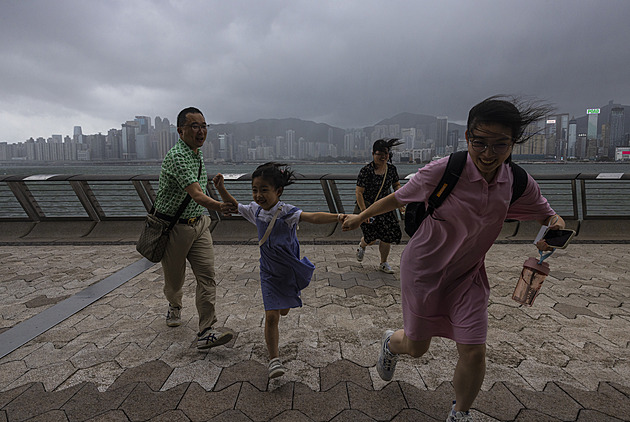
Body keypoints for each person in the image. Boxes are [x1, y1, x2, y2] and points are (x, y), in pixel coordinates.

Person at [342, 96, 564, 422]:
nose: (488, 153)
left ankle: (460, 413)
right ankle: (391, 343)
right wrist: (361, 218)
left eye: (500, 145)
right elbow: (398, 197)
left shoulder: (516, 182)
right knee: (418, 348)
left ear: (512, 143)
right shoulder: (446, 170)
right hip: (423, 272)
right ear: (467, 139)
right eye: (480, 143)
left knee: (474, 351)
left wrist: (556, 228)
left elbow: (549, 215)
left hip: (468, 277)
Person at [213, 162, 347, 378]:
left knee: (283, 310)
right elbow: (235, 205)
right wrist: (221, 189)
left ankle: (285, 304)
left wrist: (338, 217)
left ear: (278, 191)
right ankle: (274, 360)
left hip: (289, 270)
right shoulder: (255, 211)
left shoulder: (287, 212)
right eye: (255, 190)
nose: (258, 195)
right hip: (268, 273)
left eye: (264, 190)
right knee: (272, 316)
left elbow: (313, 217)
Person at [152, 106, 236, 350]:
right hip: (175, 229)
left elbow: (199, 195)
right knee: (174, 281)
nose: (201, 131)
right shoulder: (177, 156)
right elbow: (197, 194)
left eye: (204, 126)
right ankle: (175, 305)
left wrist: (218, 190)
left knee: (207, 276)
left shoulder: (197, 154)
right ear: (180, 131)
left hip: (199, 225)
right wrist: (220, 206)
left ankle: (206, 330)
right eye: (194, 126)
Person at [355, 138, 404, 274]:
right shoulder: (366, 171)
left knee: (386, 235)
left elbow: (396, 186)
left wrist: (401, 200)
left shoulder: (391, 169)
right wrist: (364, 212)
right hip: (367, 207)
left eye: (385, 154)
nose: (383, 157)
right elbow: (359, 192)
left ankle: (383, 263)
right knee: (371, 239)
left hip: (384, 206)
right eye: (379, 154)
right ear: (373, 154)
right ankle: (362, 245)